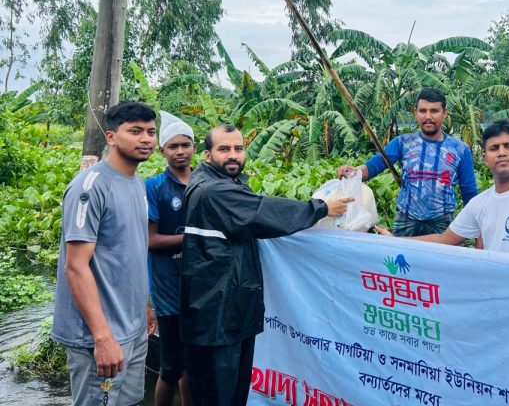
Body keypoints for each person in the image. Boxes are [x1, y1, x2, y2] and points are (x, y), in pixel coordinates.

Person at [179, 124, 354, 406]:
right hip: (217, 318)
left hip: (228, 312)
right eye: (224, 149)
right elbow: (262, 211)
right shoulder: (214, 191)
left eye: (238, 148)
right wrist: (320, 208)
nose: (233, 155)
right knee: (217, 396)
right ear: (208, 155)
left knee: (233, 394)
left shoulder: (225, 184)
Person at [52, 101, 158, 406]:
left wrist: (145, 306)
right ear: (111, 137)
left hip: (133, 327)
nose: (146, 139)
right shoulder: (90, 186)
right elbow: (75, 267)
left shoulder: (136, 182)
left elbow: (133, 251)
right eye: (135, 131)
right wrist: (102, 337)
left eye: (151, 132)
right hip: (99, 335)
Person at [377, 119, 509, 259]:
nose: (502, 153)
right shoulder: (479, 204)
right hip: (495, 301)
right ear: (485, 159)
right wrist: (396, 241)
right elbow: (444, 240)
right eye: (494, 148)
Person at [338, 87, 478, 237]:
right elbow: (375, 165)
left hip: (442, 222)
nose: (428, 116)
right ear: (415, 112)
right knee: (399, 259)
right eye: (423, 111)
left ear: (444, 112)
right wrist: (354, 171)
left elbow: (469, 193)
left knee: (438, 259)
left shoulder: (460, 149)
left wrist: (477, 232)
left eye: (434, 111)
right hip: (407, 220)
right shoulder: (402, 143)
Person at [146, 111, 195, 406]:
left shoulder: (205, 182)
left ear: (195, 147)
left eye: (185, 145)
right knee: (171, 366)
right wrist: (196, 237)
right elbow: (150, 240)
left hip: (201, 286)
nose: (180, 152)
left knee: (192, 363)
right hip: (168, 289)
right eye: (173, 146)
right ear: (162, 150)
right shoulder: (154, 187)